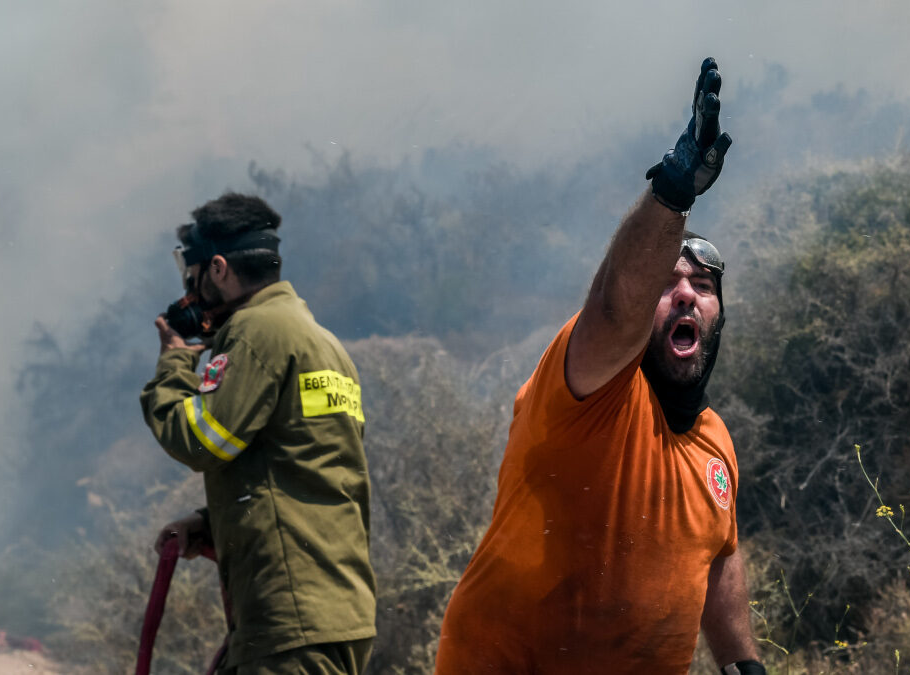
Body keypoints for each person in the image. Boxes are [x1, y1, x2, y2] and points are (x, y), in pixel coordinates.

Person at [434, 58, 764, 675]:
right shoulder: (590, 387)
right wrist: (673, 192)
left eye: (703, 285)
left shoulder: (715, 445)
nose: (687, 293)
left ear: (720, 313)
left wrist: (743, 665)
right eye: (667, 282)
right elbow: (616, 309)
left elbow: (718, 552)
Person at [141, 193, 376, 675]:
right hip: (334, 613)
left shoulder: (255, 333)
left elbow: (201, 441)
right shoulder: (322, 343)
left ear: (220, 269)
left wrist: (175, 367)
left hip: (286, 622)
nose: (192, 292)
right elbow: (302, 469)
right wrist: (208, 522)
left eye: (195, 276)